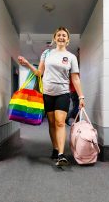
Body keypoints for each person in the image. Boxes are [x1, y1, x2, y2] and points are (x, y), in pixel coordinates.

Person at [18, 26, 85, 166]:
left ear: (67, 40)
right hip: (47, 94)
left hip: (63, 93)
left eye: (64, 36)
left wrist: (81, 97)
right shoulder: (47, 53)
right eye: (59, 35)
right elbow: (39, 73)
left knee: (60, 122)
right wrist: (28, 64)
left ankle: (61, 154)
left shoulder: (71, 57)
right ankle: (55, 148)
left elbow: (75, 79)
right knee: (52, 123)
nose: (61, 37)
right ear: (55, 38)